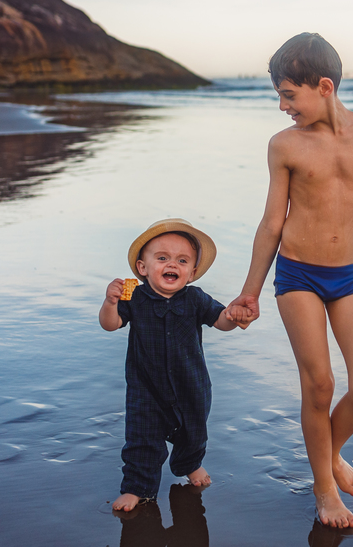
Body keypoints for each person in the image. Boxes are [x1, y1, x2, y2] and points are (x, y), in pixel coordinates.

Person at [227, 33, 353, 528]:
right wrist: (250, 290)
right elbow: (272, 222)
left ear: (324, 87)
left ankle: (330, 455)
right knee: (319, 384)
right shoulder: (285, 146)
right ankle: (325, 491)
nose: (282, 106)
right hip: (297, 275)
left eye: (288, 95)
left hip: (349, 278)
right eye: (279, 95)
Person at [100, 218, 246, 513]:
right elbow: (110, 324)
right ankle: (137, 488)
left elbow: (220, 321)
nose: (172, 265)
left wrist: (233, 315)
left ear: (191, 273)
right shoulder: (136, 298)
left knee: (193, 433)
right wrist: (110, 302)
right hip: (146, 388)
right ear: (143, 268)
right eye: (162, 258)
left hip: (190, 385)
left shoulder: (196, 299)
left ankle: (189, 464)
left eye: (182, 260)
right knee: (142, 438)